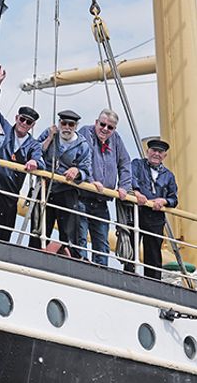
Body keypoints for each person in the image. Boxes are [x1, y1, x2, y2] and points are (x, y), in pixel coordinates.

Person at [0, 76, 43, 242]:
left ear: (32, 125)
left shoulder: (33, 145)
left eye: (28, 122)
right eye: (22, 119)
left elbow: (39, 158)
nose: (24, 123)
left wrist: (34, 162)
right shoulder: (4, 128)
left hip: (10, 194)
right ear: (16, 118)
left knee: (4, 232)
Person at [29, 110, 92, 255]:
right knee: (38, 229)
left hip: (66, 191)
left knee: (69, 232)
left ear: (76, 126)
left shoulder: (82, 145)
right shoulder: (49, 133)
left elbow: (86, 169)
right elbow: (35, 151)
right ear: (59, 123)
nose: (67, 127)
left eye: (71, 124)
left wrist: (76, 170)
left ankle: (68, 256)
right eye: (64, 123)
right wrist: (49, 138)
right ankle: (34, 254)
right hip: (45, 187)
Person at [76, 109, 132, 265]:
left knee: (102, 244)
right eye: (102, 124)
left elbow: (125, 162)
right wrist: (91, 180)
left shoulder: (116, 139)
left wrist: (124, 186)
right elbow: (82, 158)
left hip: (101, 201)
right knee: (80, 238)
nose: (105, 129)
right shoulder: (86, 133)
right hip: (82, 197)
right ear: (96, 122)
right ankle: (80, 268)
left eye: (110, 127)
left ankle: (101, 271)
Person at [130, 138, 178, 279]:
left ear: (164, 156)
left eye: (160, 152)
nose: (156, 154)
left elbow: (173, 198)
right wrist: (137, 192)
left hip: (155, 217)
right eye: (154, 150)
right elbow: (131, 178)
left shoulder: (168, 176)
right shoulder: (137, 165)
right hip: (137, 212)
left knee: (154, 253)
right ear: (147, 151)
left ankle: (153, 281)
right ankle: (129, 276)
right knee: (131, 248)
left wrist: (164, 200)